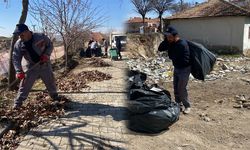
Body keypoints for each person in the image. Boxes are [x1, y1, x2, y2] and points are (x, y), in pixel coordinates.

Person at [12, 23, 60, 109]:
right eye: (19, 35)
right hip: (31, 67)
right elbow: (16, 57)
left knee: (50, 81)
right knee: (24, 85)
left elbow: (50, 45)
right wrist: (18, 71)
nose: (20, 37)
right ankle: (17, 104)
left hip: (45, 64)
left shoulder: (40, 37)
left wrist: (46, 54)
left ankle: (55, 96)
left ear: (27, 32)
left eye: (21, 34)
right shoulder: (19, 44)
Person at [158, 26, 191, 114]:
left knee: (181, 88)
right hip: (177, 68)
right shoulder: (171, 42)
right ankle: (178, 104)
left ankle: (187, 106)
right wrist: (167, 40)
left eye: (169, 36)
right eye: (167, 36)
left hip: (184, 69)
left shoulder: (181, 44)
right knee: (176, 88)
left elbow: (172, 56)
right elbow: (160, 48)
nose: (168, 38)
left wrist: (169, 45)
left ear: (175, 36)